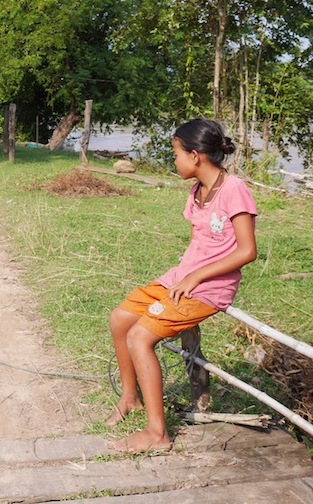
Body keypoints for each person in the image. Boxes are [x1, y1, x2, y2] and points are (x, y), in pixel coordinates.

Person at [106, 118, 258, 454]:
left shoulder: (234, 190)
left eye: (176, 154)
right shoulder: (197, 191)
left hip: (209, 289)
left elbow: (248, 251)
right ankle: (130, 397)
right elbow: (197, 245)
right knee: (120, 319)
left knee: (139, 337)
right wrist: (183, 276)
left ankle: (157, 434)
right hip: (182, 280)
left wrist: (196, 277)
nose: (174, 162)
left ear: (194, 156)